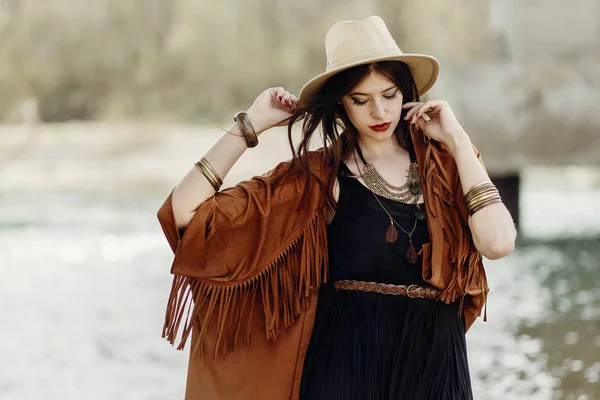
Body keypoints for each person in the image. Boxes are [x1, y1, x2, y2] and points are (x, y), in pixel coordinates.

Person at [157, 16, 516, 400]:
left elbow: (497, 243)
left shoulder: (448, 165)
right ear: (341, 104)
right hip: (346, 368)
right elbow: (185, 214)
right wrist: (251, 124)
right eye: (361, 100)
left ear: (407, 92)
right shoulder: (316, 178)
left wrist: (458, 140)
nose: (379, 111)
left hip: (436, 367)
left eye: (390, 95)